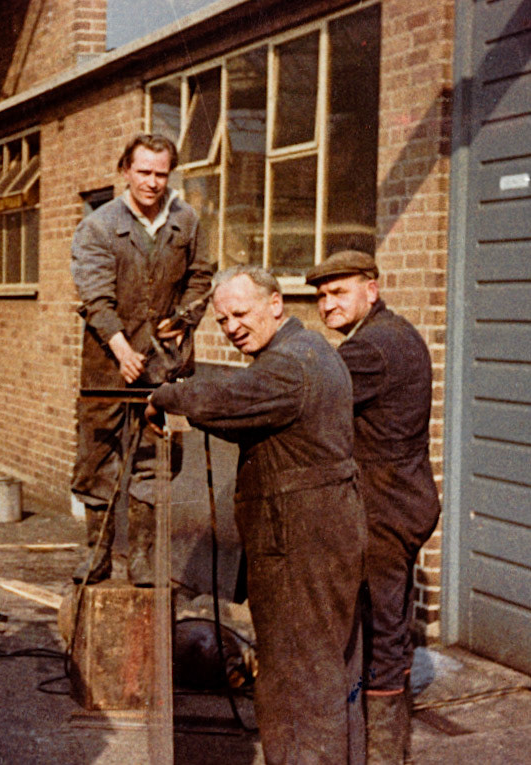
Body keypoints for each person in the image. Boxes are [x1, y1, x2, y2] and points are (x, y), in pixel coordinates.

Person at [146, 265, 365, 762]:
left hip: (301, 549)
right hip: (318, 540)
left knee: (298, 685)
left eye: (240, 313)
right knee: (322, 674)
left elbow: (228, 397)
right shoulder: (306, 354)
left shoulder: (290, 366)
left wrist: (166, 396)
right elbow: (259, 417)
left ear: (275, 305)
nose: (232, 326)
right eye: (222, 320)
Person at [307, 250, 440, 763]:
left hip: (386, 509)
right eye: (321, 296)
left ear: (371, 289)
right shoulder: (390, 334)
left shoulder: (374, 349)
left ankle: (384, 755)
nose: (327, 304)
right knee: (382, 626)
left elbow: (307, 388)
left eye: (339, 292)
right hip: (396, 502)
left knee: (383, 633)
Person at [70, 133, 213, 586]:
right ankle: (97, 556)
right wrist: (119, 348)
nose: (152, 182)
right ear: (125, 171)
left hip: (164, 365)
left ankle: (144, 560)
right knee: (99, 456)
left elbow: (200, 278)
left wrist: (184, 320)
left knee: (156, 458)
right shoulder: (98, 226)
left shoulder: (186, 221)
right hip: (107, 365)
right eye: (143, 172)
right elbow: (95, 297)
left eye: (160, 173)